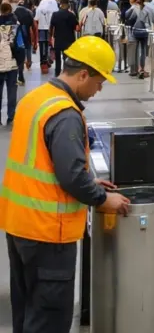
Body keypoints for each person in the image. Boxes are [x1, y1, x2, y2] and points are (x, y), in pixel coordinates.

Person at [0, 36, 131, 333]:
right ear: (83, 74)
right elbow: (70, 176)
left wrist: (87, 177)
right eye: (99, 82)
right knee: (49, 318)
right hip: (48, 233)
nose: (99, 90)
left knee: (27, 310)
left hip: (20, 224)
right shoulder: (65, 114)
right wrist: (100, 197)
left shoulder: (35, 98)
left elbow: (44, 162)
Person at [125, 0, 154, 79]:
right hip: (145, 32)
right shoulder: (149, 10)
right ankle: (143, 68)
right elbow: (152, 20)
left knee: (137, 51)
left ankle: (138, 69)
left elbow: (129, 18)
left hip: (136, 31)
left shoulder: (134, 9)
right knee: (144, 51)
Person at [50, 0, 79, 77]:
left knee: (58, 58)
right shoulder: (71, 15)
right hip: (69, 39)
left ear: (61, 4)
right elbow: (76, 27)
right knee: (67, 58)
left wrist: (50, 37)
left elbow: (51, 27)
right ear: (68, 5)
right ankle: (66, 73)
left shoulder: (55, 14)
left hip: (58, 39)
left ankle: (57, 72)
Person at [0, 3, 19, 123]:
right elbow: (20, 42)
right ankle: (11, 115)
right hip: (12, 61)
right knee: (12, 89)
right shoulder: (16, 24)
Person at [10, 0, 34, 83]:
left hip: (14, 40)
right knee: (21, 57)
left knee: (15, 58)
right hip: (23, 39)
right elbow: (31, 27)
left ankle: (16, 76)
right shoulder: (27, 11)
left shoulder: (9, 13)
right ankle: (20, 75)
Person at [34, 0, 58, 74]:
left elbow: (36, 20)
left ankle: (42, 62)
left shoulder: (38, 9)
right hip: (50, 30)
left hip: (41, 29)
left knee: (42, 46)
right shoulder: (54, 9)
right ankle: (48, 60)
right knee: (50, 45)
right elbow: (54, 22)